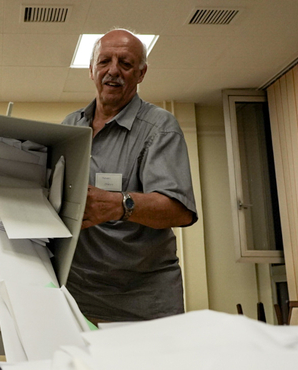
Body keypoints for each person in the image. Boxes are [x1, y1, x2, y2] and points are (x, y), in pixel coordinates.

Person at [61, 29, 198, 323]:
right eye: (104, 61)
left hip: (143, 297)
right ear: (91, 69)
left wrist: (118, 204)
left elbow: (179, 211)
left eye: (125, 63)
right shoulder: (71, 125)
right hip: (77, 292)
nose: (113, 71)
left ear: (141, 73)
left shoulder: (160, 127)